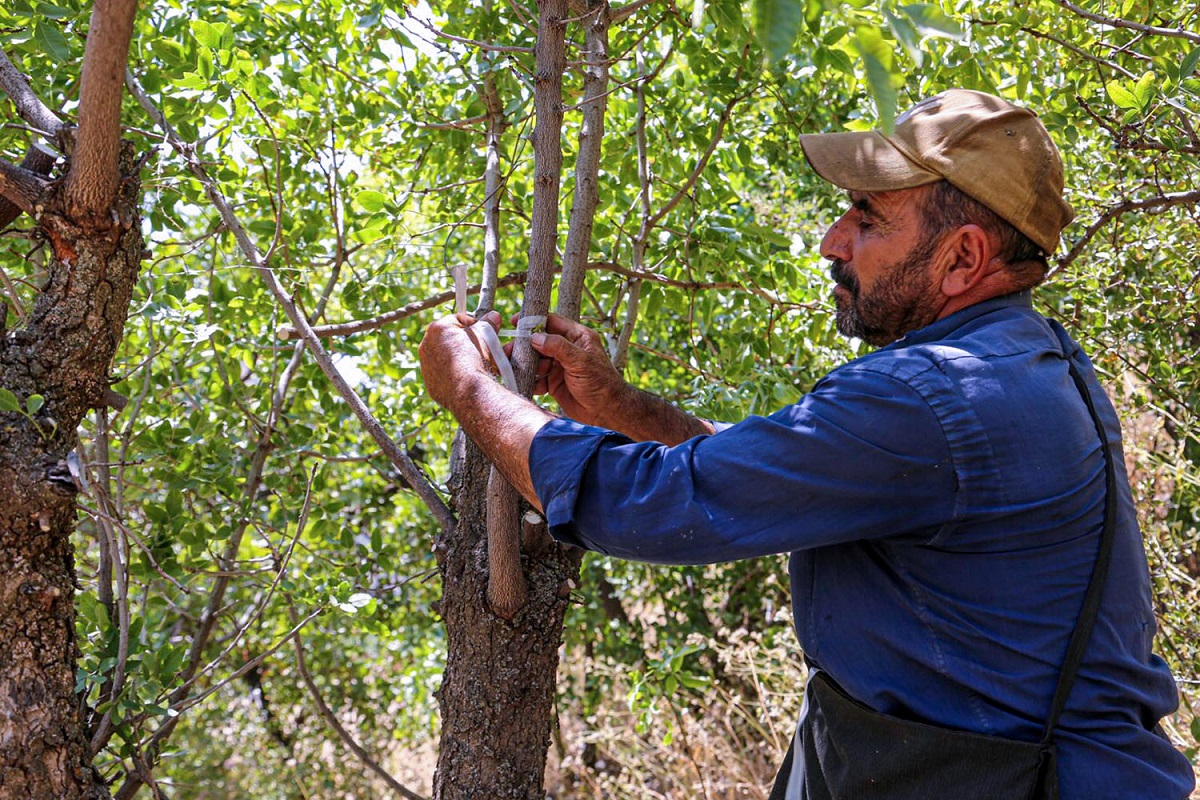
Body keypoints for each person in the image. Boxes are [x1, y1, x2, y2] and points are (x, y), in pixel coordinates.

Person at [418, 90, 1195, 799]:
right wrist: (619, 406)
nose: (832, 240)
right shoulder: (1031, 358)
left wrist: (474, 393)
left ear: (963, 258)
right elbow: (782, 469)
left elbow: (648, 505)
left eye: (867, 217)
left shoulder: (932, 398)